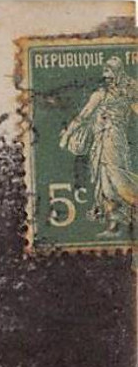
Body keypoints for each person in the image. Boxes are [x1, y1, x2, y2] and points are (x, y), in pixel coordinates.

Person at [59, 56, 138, 234]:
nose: (107, 79)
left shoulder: (117, 96)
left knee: (113, 177)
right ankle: (114, 224)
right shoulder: (112, 96)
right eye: (106, 76)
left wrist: (67, 135)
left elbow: (83, 116)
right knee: (106, 180)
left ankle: (117, 222)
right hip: (106, 143)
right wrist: (69, 134)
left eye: (110, 75)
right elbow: (84, 116)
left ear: (118, 74)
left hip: (112, 143)